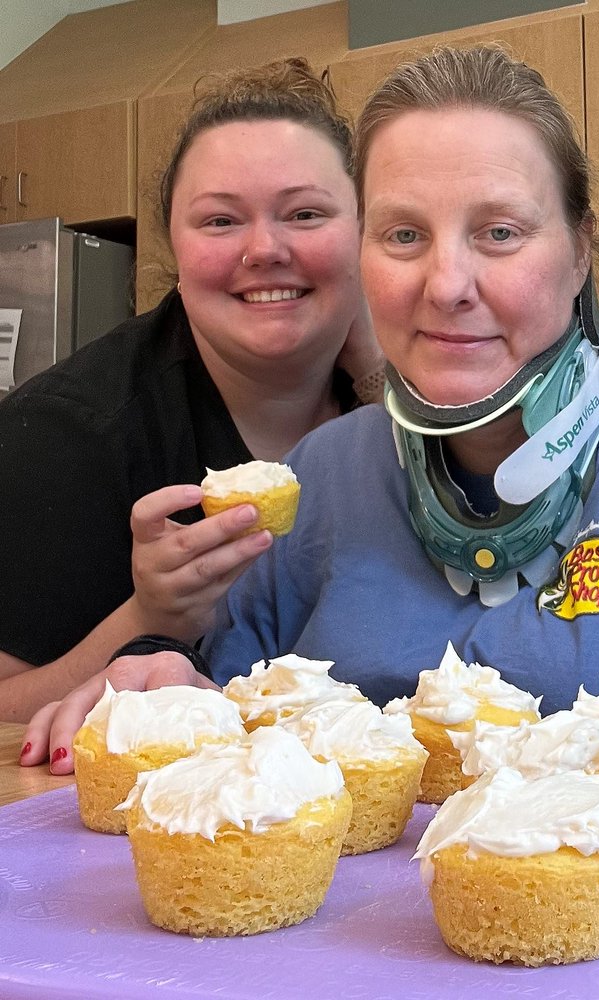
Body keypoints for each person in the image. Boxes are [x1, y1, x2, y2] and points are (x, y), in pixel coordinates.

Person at [22, 45, 599, 771]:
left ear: (579, 251)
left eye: (499, 232)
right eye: (404, 235)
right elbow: (226, 756)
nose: (445, 285)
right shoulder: (322, 475)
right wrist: (165, 676)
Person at [2, 58, 385, 742]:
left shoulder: (404, 405)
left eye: (305, 213)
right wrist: (154, 617)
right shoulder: (66, 437)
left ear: (364, 232)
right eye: (219, 222)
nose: (265, 248)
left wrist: (385, 384)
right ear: (173, 250)